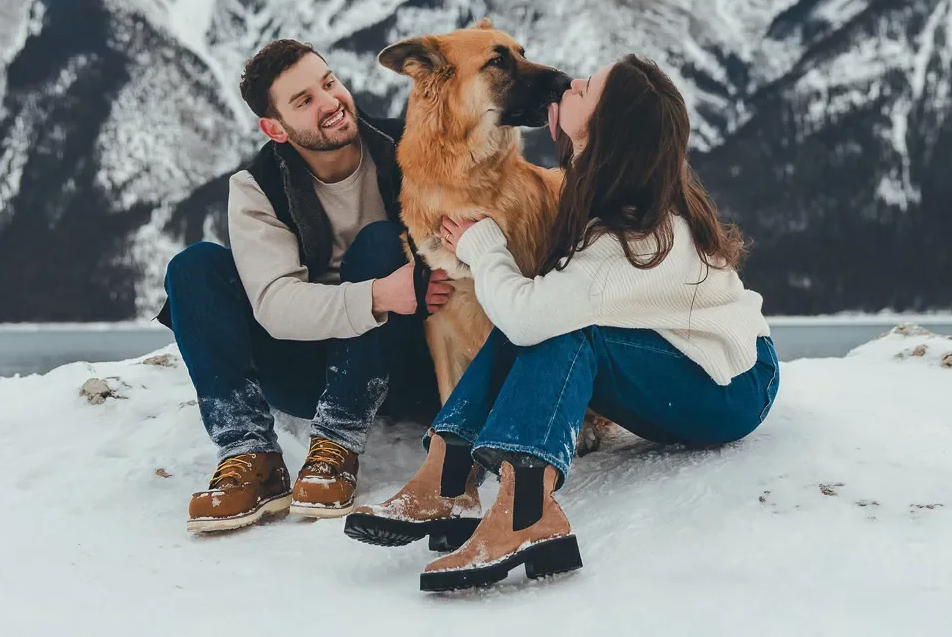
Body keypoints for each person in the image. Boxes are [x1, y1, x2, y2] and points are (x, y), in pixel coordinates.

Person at [344, 54, 779, 592]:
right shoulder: (618, 192)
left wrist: (483, 247)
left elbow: (531, 318)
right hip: (686, 363)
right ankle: (448, 476)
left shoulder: (631, 242)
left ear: (606, 131)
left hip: (732, 388)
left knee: (556, 327)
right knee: (539, 314)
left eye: (587, 89)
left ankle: (527, 510)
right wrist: (574, 149)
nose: (571, 84)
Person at [159, 39, 454, 534]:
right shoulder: (257, 189)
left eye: (329, 82)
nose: (330, 101)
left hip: (404, 359)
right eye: (304, 101)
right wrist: (380, 295)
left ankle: (337, 444)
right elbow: (276, 304)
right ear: (274, 128)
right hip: (308, 370)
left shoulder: (412, 148)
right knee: (194, 266)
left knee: (380, 241)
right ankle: (250, 455)